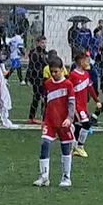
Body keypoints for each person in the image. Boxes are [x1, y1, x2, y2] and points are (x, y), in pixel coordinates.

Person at [33, 55, 77, 188]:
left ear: (62, 70)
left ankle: (66, 177)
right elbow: (46, 102)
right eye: (51, 71)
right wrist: (43, 117)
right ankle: (44, 176)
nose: (53, 74)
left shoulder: (68, 84)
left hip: (64, 122)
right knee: (44, 144)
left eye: (56, 71)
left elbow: (71, 103)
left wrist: (69, 118)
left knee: (65, 148)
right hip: (50, 121)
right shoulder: (48, 84)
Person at [67, 52, 100, 158]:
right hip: (76, 106)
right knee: (86, 124)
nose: (88, 62)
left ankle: (74, 146)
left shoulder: (86, 74)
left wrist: (97, 100)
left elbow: (90, 88)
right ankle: (79, 147)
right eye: (86, 60)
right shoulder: (73, 75)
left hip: (83, 105)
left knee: (78, 126)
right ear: (81, 62)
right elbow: (68, 88)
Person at [25, 37, 51, 124]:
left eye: (45, 43)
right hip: (37, 79)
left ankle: (43, 117)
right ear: (38, 43)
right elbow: (31, 66)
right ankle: (32, 117)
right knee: (37, 98)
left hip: (44, 79)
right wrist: (28, 78)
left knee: (44, 98)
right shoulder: (35, 53)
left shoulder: (45, 53)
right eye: (42, 43)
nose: (44, 45)